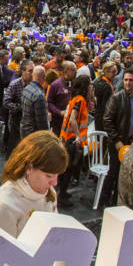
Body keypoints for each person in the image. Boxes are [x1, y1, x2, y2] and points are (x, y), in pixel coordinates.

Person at [0, 131, 67, 266]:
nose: (55, 183)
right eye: (49, 176)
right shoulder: (3, 205)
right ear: (29, 168)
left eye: (57, 176)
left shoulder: (48, 193)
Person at [101, 68, 133, 207]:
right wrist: (116, 141)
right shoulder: (116, 98)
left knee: (126, 175)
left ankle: (117, 201)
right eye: (125, 80)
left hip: (132, 142)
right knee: (113, 172)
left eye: (131, 80)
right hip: (117, 143)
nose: (127, 83)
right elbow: (107, 121)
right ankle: (104, 201)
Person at [58, 74, 92, 205]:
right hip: (71, 140)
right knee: (68, 170)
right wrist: (78, 136)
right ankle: (62, 197)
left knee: (66, 169)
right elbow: (73, 119)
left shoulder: (74, 99)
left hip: (66, 138)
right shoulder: (80, 100)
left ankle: (62, 193)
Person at [2, 59, 33, 153]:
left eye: (33, 71)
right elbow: (6, 102)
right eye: (30, 71)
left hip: (30, 121)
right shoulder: (15, 84)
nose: (32, 74)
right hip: (16, 121)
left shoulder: (34, 84)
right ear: (23, 71)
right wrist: (20, 107)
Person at [19, 64, 49, 141]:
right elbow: (41, 122)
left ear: (33, 75)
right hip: (34, 135)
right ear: (44, 77)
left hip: (24, 129)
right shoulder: (39, 95)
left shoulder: (26, 88)